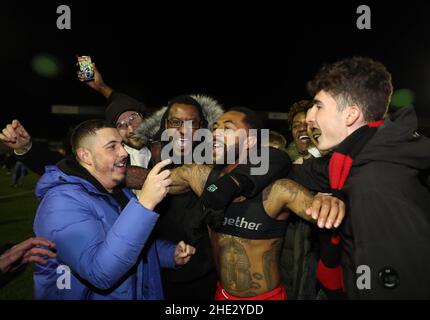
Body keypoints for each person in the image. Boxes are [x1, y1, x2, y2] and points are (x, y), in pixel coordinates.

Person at [290, 56, 430, 299]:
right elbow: (294, 171)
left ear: (350, 115)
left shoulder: (377, 184)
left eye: (318, 106)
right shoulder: (350, 160)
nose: (310, 117)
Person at [33, 119, 195, 300]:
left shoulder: (119, 191)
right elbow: (99, 273)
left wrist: (169, 254)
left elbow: (127, 243)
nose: (124, 152)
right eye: (112, 146)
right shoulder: (61, 203)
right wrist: (144, 205)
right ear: (85, 156)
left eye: (122, 145)